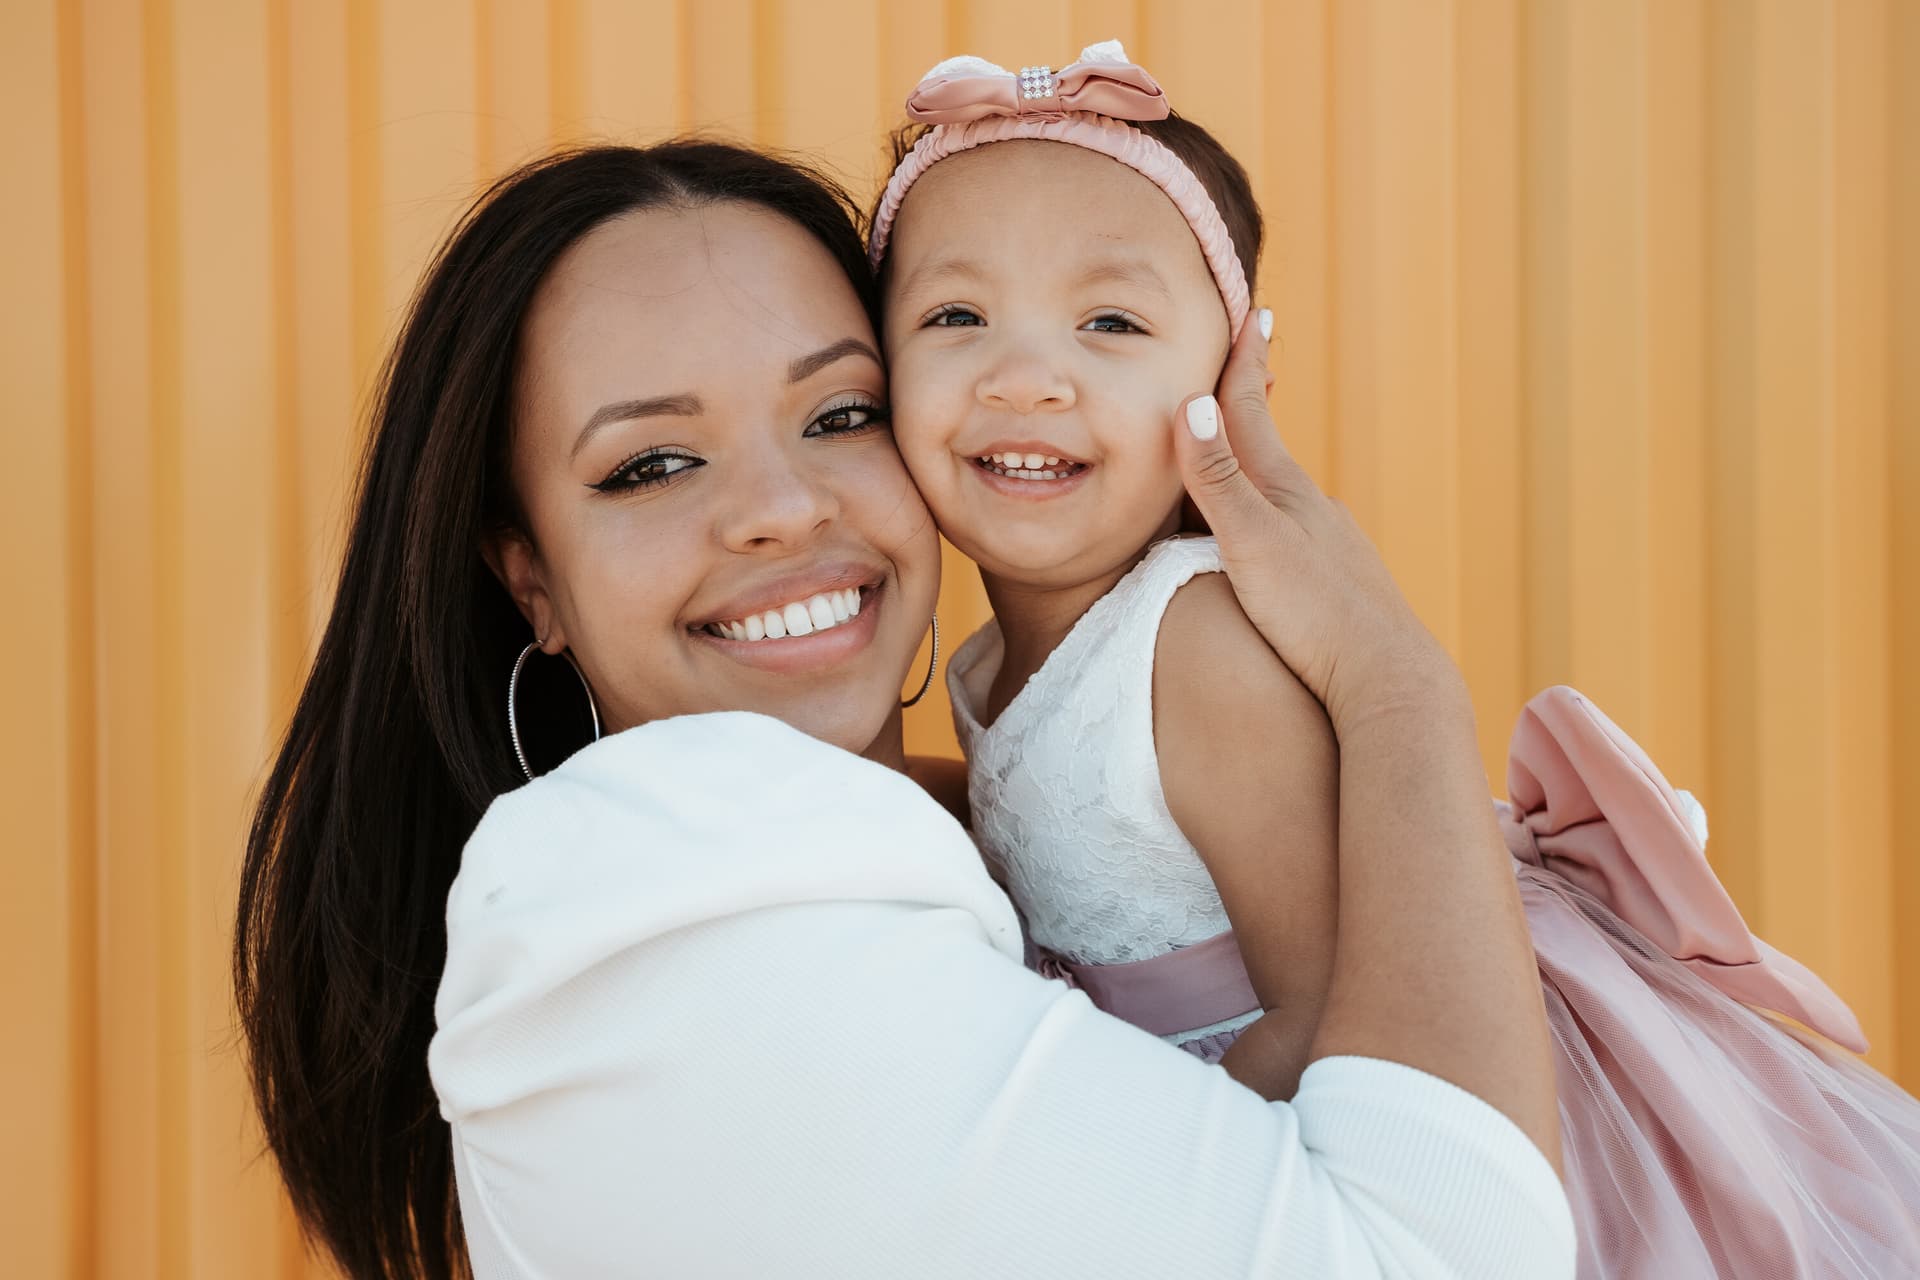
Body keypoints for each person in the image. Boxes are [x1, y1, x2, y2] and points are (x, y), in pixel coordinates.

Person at [235, 139, 1569, 1279]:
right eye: (650, 463)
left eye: (840, 413)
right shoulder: (641, 912)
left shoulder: (1001, 813)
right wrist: (1393, 682)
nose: (780, 506)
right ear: (531, 577)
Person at [868, 42, 1920, 1277]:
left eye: (1112, 321)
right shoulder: (997, 653)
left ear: (1228, 373)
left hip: (1405, 1131)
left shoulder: (1194, 649)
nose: (1028, 376)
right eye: (955, 315)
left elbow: (1335, 1010)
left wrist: (1116, 1164)